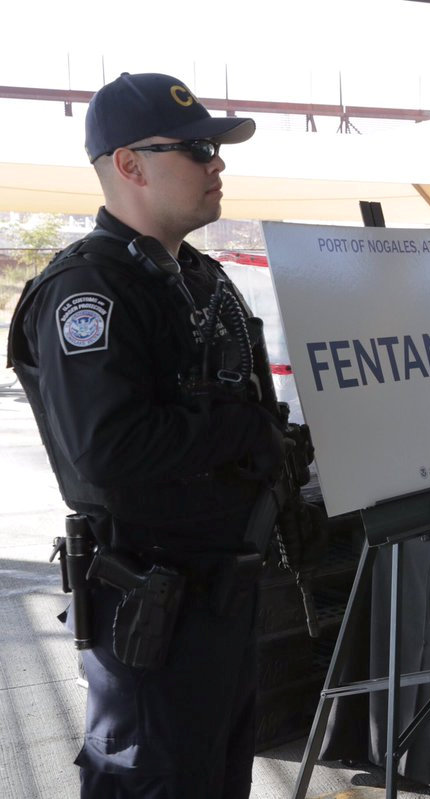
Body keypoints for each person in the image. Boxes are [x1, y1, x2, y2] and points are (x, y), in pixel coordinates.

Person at [6, 72, 284, 798]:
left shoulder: (196, 277)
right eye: (196, 149)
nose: (216, 164)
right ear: (129, 165)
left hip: (222, 597)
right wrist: (240, 428)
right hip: (153, 611)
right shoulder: (88, 291)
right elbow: (109, 450)